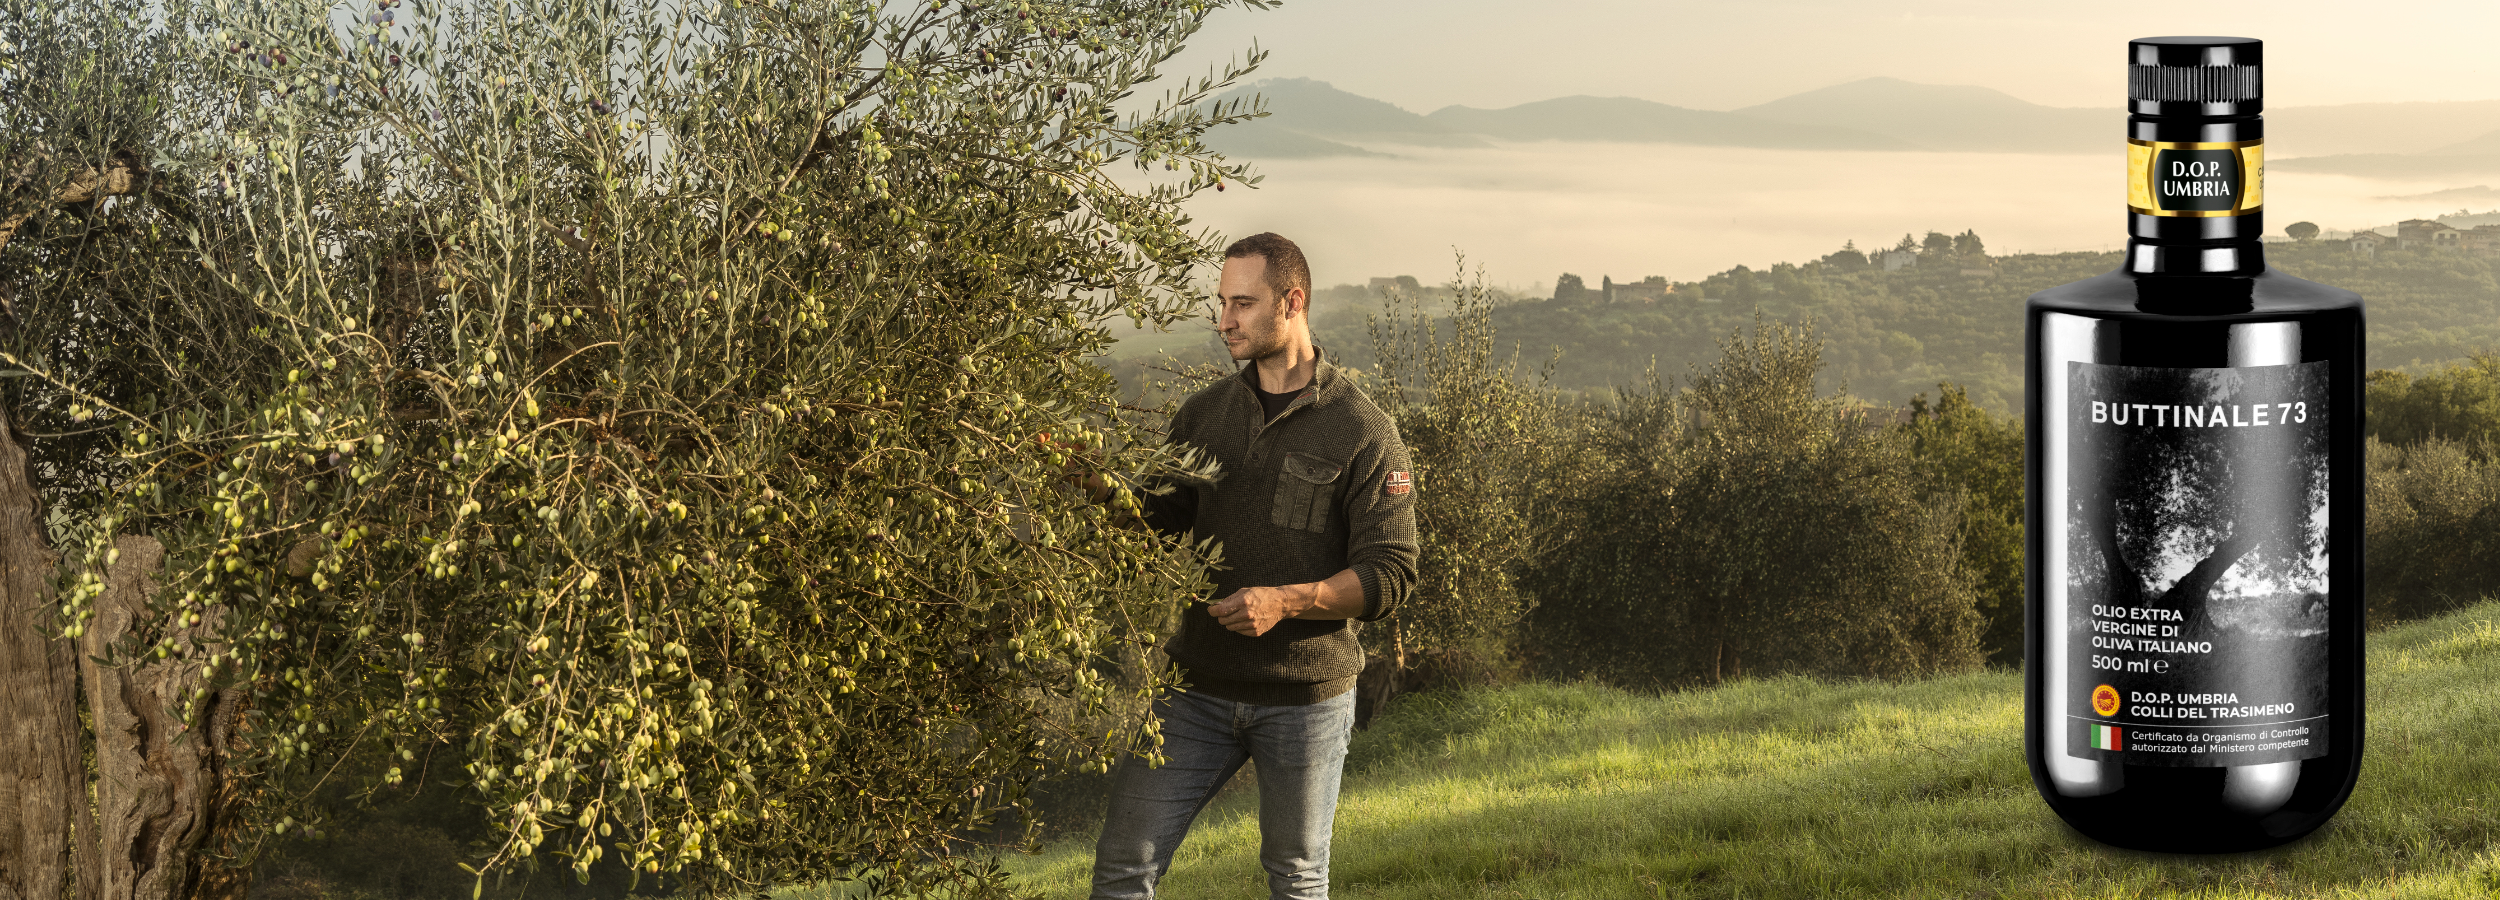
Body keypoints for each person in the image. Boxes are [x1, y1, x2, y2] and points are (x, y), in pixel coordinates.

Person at [1088, 233, 1419, 900]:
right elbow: (1158, 519)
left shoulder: (1363, 431)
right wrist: (1098, 488)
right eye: (1222, 302)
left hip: (1307, 701)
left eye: (1242, 303)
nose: (1224, 320)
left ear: (1292, 303)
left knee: (1297, 878)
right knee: (1123, 865)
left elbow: (1391, 574)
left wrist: (1284, 601)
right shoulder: (1204, 416)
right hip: (1195, 688)